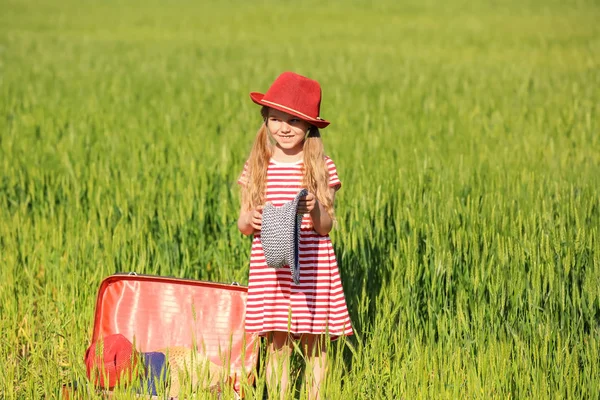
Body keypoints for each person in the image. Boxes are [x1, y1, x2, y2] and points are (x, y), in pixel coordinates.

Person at [237, 71, 353, 400]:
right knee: (278, 345)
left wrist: (315, 209)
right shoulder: (259, 163)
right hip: (271, 268)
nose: (283, 128)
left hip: (312, 268)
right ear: (265, 119)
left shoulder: (320, 165)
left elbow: (326, 226)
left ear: (309, 127)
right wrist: (252, 218)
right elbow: (242, 225)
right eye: (275, 118)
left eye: (294, 120)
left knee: (315, 345)